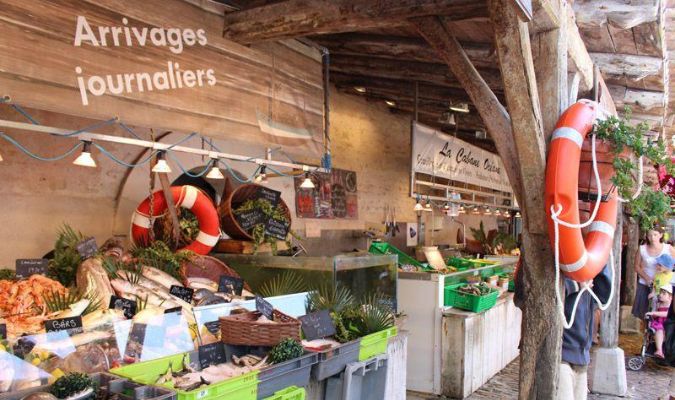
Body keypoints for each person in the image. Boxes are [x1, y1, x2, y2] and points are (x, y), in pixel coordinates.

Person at [557, 264, 612, 400]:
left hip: (582, 353)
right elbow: (548, 293)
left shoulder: (588, 265)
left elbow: (603, 297)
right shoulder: (556, 253)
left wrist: (601, 263)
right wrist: (576, 285)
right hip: (560, 351)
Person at [632, 227, 675, 323]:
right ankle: (648, 331)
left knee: (664, 310)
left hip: (665, 285)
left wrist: (667, 272)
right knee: (644, 310)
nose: (652, 237)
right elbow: (636, 266)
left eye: (655, 235)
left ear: (660, 235)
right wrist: (647, 278)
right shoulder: (642, 249)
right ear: (646, 236)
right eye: (650, 235)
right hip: (646, 282)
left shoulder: (668, 248)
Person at [646, 285, 673, 358]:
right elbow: (655, 315)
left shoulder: (671, 305)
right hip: (659, 323)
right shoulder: (658, 304)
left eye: (664, 294)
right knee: (659, 330)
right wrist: (653, 314)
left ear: (670, 297)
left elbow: (667, 314)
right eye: (660, 293)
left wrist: (654, 313)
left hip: (668, 324)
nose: (661, 295)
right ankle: (659, 350)